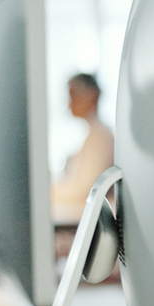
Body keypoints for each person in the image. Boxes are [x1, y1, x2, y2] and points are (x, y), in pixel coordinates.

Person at [51, 73, 113, 224]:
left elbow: (84, 189)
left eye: (73, 94)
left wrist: (43, 191)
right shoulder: (93, 135)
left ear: (92, 96)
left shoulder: (101, 137)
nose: (69, 103)